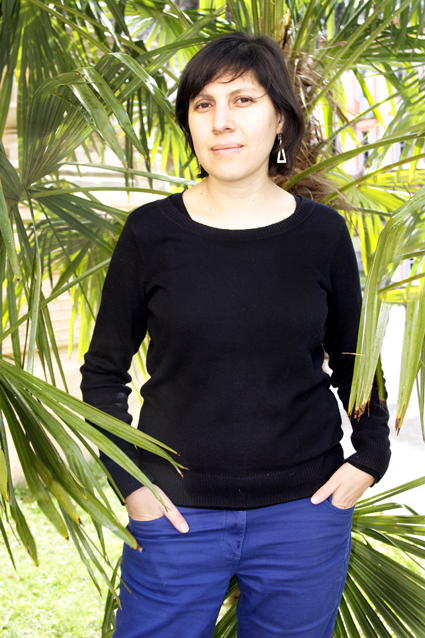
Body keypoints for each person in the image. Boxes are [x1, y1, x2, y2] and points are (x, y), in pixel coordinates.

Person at [80, 32, 391, 638]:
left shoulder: (323, 234)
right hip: (173, 514)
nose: (221, 121)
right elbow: (103, 374)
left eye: (243, 100)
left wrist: (371, 456)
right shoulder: (150, 233)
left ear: (281, 119)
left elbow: (356, 360)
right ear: (190, 125)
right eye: (204, 105)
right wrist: (132, 485)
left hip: (305, 514)